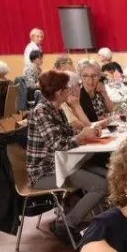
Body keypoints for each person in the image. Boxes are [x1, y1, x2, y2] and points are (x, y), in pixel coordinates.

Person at [25, 70, 106, 240]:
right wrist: (82, 136)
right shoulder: (41, 111)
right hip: (44, 172)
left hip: (62, 164)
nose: (70, 90)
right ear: (58, 92)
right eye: (67, 88)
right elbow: (57, 144)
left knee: (109, 175)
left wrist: (87, 133)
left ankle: (101, 220)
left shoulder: (56, 109)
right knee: (101, 185)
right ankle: (66, 224)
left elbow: (68, 134)